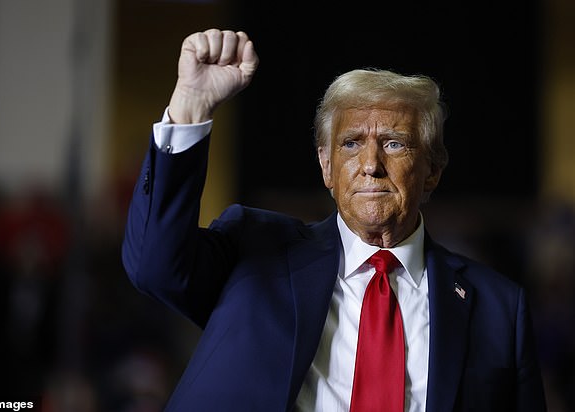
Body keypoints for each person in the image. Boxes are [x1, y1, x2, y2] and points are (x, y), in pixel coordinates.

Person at [121, 28, 547, 411]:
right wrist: (191, 105)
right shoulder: (256, 250)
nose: (371, 165)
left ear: (433, 169)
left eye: (395, 144)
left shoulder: (499, 310)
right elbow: (153, 267)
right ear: (326, 166)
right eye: (350, 143)